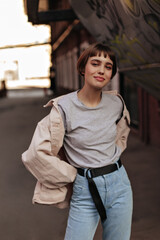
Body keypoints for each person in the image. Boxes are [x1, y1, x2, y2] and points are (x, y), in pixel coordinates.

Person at [22, 42, 133, 240]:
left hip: (120, 185)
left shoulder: (116, 103)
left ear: (112, 74)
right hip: (85, 189)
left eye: (108, 67)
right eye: (95, 63)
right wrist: (72, 174)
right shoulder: (63, 108)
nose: (101, 70)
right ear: (83, 68)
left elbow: (120, 133)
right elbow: (35, 154)